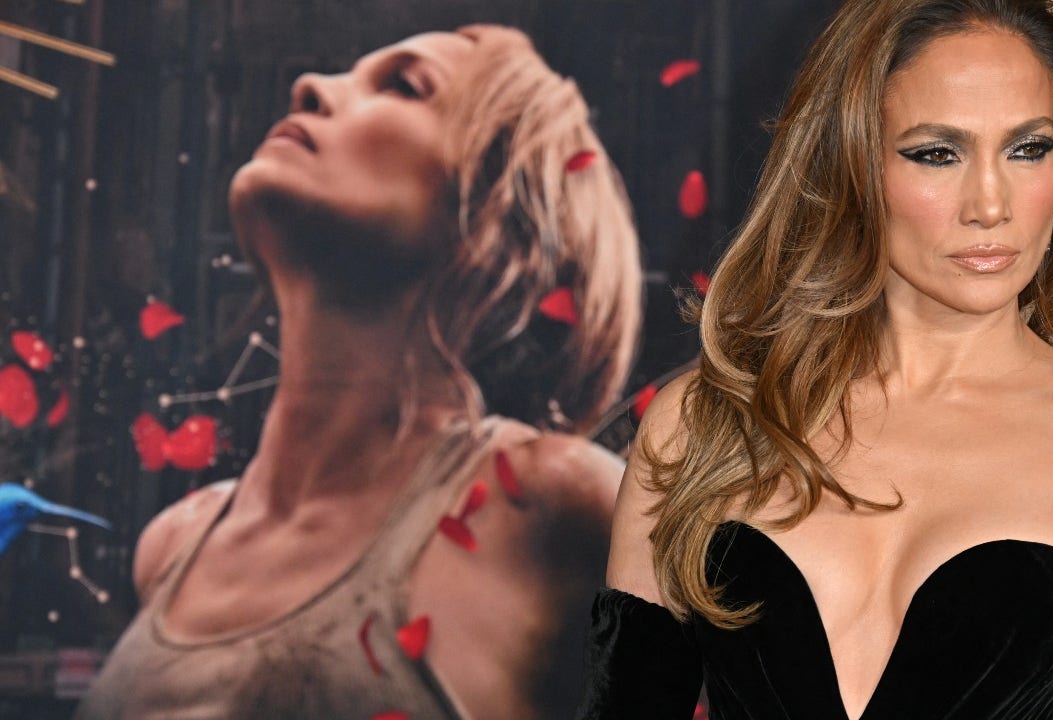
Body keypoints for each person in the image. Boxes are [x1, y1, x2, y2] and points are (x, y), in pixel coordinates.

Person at [577, 1, 1053, 718]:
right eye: (937, 153)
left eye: (1028, 149)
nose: (991, 205)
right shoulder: (701, 425)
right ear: (850, 165)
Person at [76, 24, 642, 720]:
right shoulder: (172, 546)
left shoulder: (553, 508)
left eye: (404, 86)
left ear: (497, 207)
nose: (310, 86)